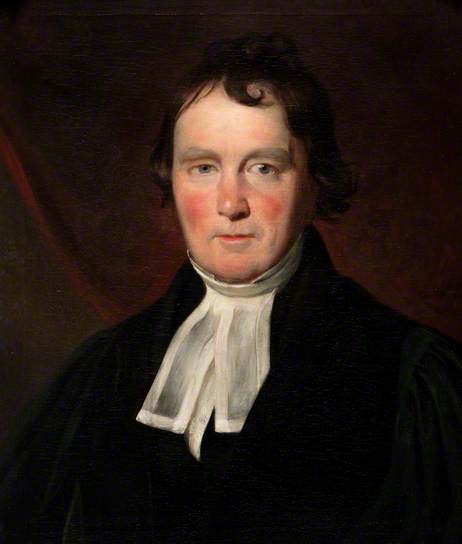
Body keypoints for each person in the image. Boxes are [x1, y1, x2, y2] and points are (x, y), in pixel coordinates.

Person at [1, 33, 461, 543]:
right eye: (203, 168)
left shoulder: (409, 373)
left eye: (263, 168)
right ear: (173, 182)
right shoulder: (105, 369)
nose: (230, 203)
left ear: (314, 187)